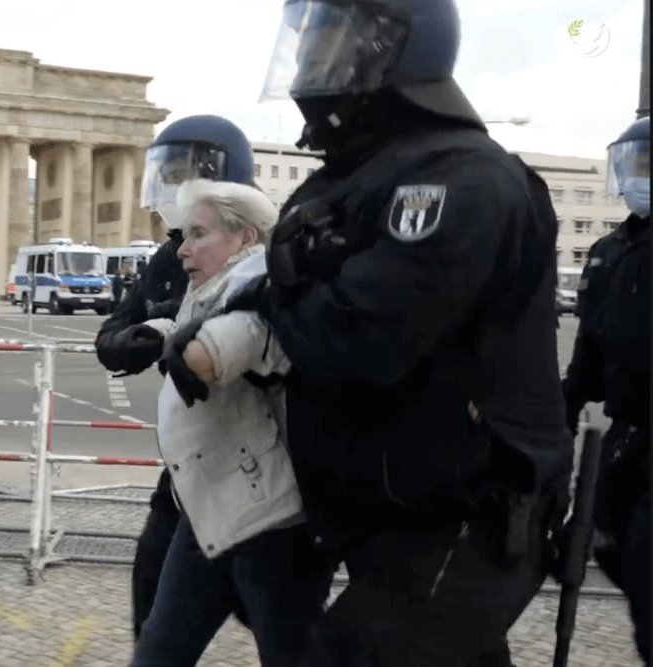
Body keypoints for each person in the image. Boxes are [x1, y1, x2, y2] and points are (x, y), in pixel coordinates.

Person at [219, 0, 574, 662]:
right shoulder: (352, 175)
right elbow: (281, 289)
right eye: (307, 40)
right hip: (390, 504)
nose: (308, 59)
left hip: (468, 512)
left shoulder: (462, 177)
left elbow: (359, 340)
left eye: (329, 38)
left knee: (360, 652)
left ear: (391, 46)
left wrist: (278, 301)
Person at [133, 179, 332, 666]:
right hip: (207, 509)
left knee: (291, 655)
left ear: (245, 237)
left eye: (198, 234)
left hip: (271, 524)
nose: (183, 250)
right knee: (160, 650)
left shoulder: (265, 286)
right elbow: (195, 326)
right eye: (183, 234)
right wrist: (156, 333)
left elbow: (245, 334)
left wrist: (197, 351)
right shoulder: (213, 285)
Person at [93, 114, 256, 639]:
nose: (175, 188)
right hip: (188, 469)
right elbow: (116, 328)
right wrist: (127, 342)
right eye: (170, 175)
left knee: (279, 621)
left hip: (262, 470)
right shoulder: (170, 255)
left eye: (189, 175)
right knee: (152, 595)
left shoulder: (266, 256)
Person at [563, 115, 649, 664]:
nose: (639, 175)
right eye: (634, 164)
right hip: (625, 438)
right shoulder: (609, 249)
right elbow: (588, 349)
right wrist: (562, 410)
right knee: (604, 548)